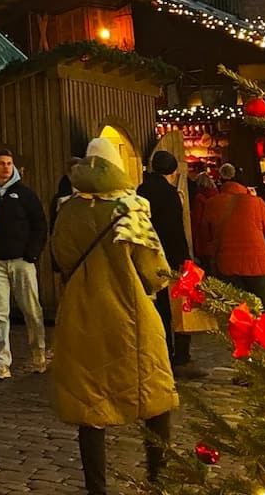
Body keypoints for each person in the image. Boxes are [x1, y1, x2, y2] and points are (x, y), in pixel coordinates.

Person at [50, 137, 178, 495]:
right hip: (129, 311)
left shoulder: (67, 210)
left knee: (89, 406)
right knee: (153, 394)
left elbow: (60, 257)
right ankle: (158, 477)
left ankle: (97, 488)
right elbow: (155, 272)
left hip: (81, 313)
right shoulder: (130, 209)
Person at [0, 145, 48, 380]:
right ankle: (1, 362)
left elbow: (39, 225)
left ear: (13, 167)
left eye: (8, 163)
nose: (5, 167)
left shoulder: (25, 194)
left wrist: (32, 254)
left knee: (32, 310)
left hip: (22, 261)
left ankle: (39, 355)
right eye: (1, 163)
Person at [137, 151, 201, 378]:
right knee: (182, 306)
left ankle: (162, 351)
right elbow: (175, 231)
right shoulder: (170, 194)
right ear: (173, 171)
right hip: (171, 257)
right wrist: (185, 260)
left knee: (159, 308)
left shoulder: (141, 191)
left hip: (148, 257)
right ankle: (181, 356)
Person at [198, 162, 265, 309]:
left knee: (236, 311)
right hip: (257, 263)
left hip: (227, 264)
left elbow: (206, 234)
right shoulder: (255, 202)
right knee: (262, 310)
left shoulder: (212, 203)